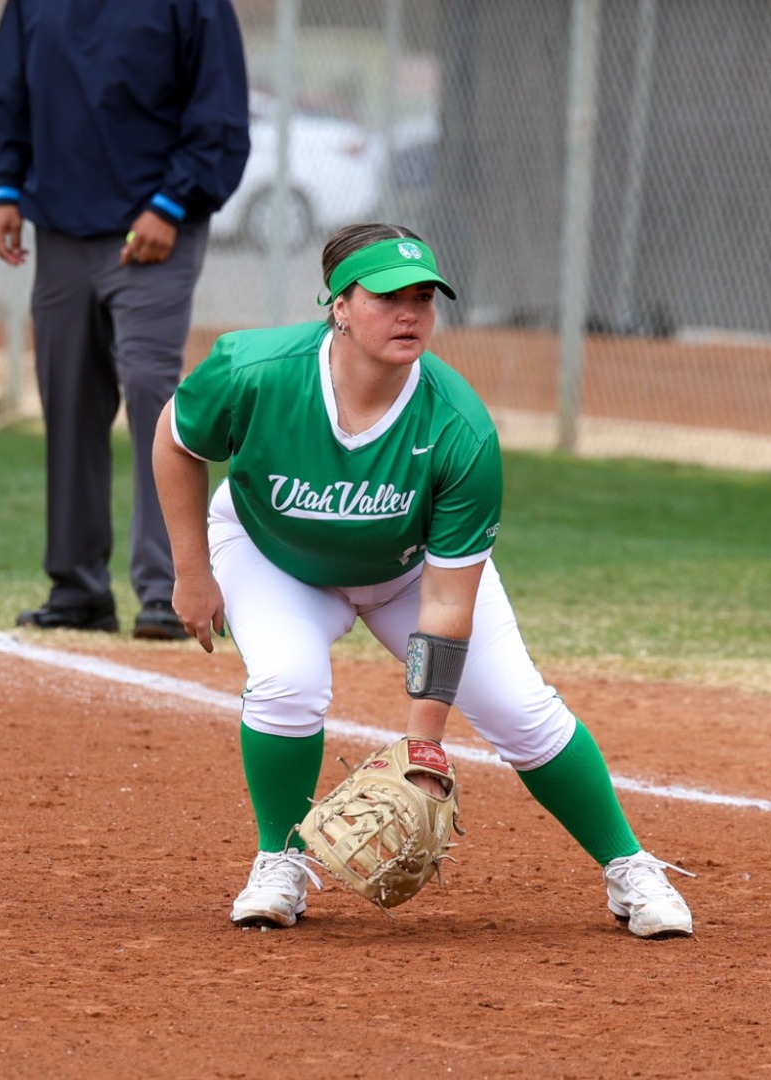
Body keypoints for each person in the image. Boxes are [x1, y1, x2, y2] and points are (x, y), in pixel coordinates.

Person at [150, 223, 695, 938]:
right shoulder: (256, 370)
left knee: (520, 711)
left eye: (423, 297)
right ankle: (278, 860)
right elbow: (176, 437)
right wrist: (192, 574)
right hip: (272, 554)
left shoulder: (459, 427)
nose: (409, 312)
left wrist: (423, 745)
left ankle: (629, 869)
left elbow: (445, 598)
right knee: (287, 680)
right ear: (339, 305)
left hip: (409, 574)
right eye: (386, 297)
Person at [0, 0, 250, 641]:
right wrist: (6, 186)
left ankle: (167, 588)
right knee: (68, 398)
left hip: (151, 229)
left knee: (154, 397)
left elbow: (218, 112)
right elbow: (6, 88)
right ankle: (78, 589)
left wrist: (171, 202)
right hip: (61, 223)